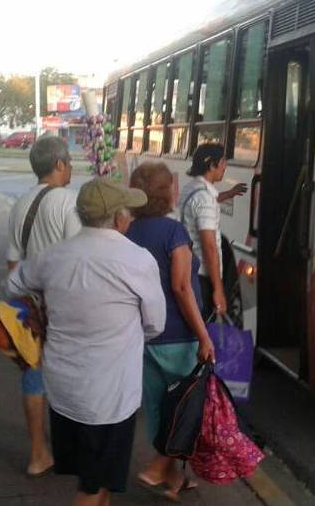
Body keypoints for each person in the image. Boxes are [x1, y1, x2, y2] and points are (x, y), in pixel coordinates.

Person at [5, 178, 165, 506]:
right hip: (109, 396)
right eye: (129, 212)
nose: (132, 218)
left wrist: (35, 309)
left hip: (63, 389)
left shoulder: (53, 256)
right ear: (118, 218)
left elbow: (12, 283)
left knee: (95, 478)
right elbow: (155, 325)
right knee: (92, 486)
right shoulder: (137, 260)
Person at [126, 162, 215, 501]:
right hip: (178, 334)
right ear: (167, 193)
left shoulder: (130, 231)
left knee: (159, 407)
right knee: (188, 408)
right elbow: (181, 287)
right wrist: (204, 336)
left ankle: (175, 477)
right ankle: (156, 467)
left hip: (144, 336)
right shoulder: (173, 233)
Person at [6, 135, 81, 477]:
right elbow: (78, 257)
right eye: (69, 163)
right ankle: (71, 449)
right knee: (70, 376)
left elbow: (13, 264)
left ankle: (38, 452)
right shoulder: (67, 201)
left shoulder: (20, 203)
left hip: (27, 304)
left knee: (33, 377)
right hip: (61, 305)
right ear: (60, 164)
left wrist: (22, 303)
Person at [178, 143, 247, 319]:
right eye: (223, 162)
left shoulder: (193, 188)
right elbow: (209, 246)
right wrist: (218, 289)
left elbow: (210, 201)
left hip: (190, 272)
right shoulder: (204, 198)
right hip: (202, 279)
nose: (225, 166)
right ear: (212, 165)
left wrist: (229, 194)